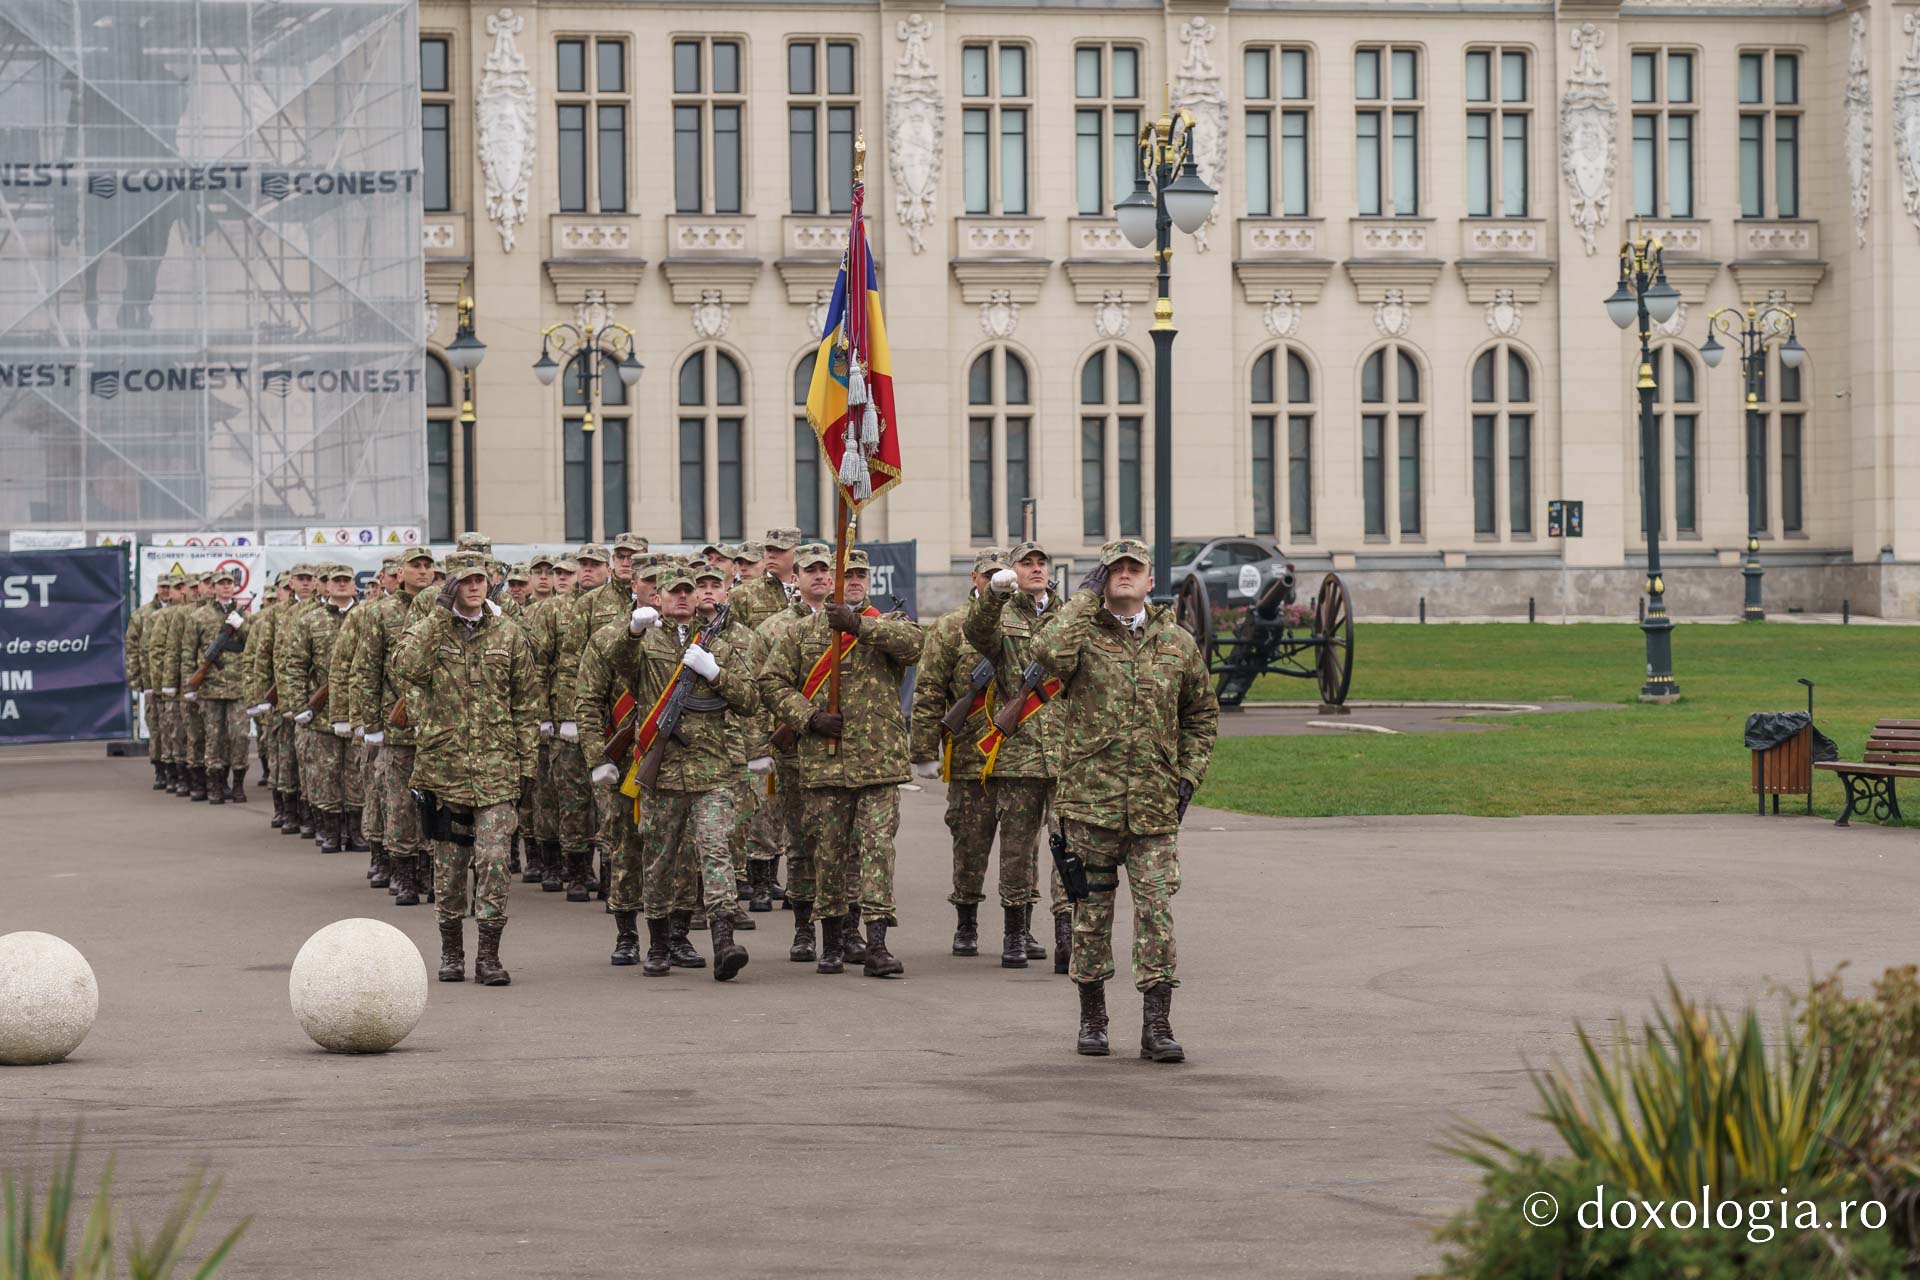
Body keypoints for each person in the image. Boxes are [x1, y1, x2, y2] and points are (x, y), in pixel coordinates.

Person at [1031, 539, 1219, 1062]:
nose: (1125, 575)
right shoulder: (1079, 637)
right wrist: (1084, 599)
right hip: (1090, 805)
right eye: (1114, 569)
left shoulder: (1176, 642)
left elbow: (1202, 714)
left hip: (1155, 807)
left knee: (1156, 912)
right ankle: (1093, 1018)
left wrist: (1188, 776)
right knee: (1091, 914)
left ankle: (1157, 1024)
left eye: (1135, 568)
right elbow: (1046, 654)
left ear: (1150, 580)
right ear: (1102, 578)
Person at [588, 562, 758, 978]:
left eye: (690, 590)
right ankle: (659, 944)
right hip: (662, 773)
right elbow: (616, 666)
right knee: (660, 860)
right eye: (674, 592)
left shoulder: (718, 641)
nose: (684, 596)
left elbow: (750, 698)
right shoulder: (644, 641)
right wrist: (631, 632)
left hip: (712, 769)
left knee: (716, 852)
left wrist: (714, 671)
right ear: (658, 599)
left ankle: (723, 941)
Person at [759, 547, 923, 978]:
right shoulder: (800, 634)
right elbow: (771, 682)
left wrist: (859, 626)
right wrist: (808, 717)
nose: (852, 581)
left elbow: (914, 646)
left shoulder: (886, 625)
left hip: (879, 763)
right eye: (844, 575)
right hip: (825, 762)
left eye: (859, 576)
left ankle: (876, 943)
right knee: (828, 854)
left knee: (877, 851)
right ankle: (831, 941)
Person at [393, 553, 540, 986]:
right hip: (444, 771)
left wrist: (527, 765)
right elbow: (406, 668)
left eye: (481, 579)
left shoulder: (508, 633)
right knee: (450, 868)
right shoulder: (429, 629)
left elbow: (527, 702)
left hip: (497, 770)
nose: (475, 587)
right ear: (450, 585)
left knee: (495, 860)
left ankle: (489, 956)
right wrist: (438, 617)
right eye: (465, 581)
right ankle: (452, 952)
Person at [966, 540, 1064, 969]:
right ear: (1014, 571)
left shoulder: (1069, 617)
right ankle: (1015, 933)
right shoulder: (1001, 615)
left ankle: (1067, 932)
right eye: (1027, 563)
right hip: (1019, 749)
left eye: (1042, 562)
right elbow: (976, 631)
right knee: (1017, 848)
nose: (1036, 569)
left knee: (1069, 846)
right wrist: (994, 595)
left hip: (1066, 751)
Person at [910, 548, 1006, 957]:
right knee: (969, 844)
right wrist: (923, 750)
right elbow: (929, 690)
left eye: (1002, 575)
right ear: (975, 578)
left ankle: (1020, 926)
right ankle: (966, 922)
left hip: (1019, 754)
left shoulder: (1022, 624)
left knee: (1022, 850)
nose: (994, 581)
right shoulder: (951, 627)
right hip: (969, 753)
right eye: (988, 575)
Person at [349, 547, 436, 901]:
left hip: (437, 726)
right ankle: (405, 873)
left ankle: (432, 871)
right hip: (397, 724)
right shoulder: (381, 613)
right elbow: (366, 670)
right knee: (398, 803)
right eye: (415, 566)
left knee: (434, 803)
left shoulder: (444, 609)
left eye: (428, 566)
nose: (423, 571)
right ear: (399, 573)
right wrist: (371, 723)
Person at [279, 564, 359, 854]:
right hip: (321, 712)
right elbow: (294, 666)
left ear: (354, 584)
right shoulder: (310, 620)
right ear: (325, 585)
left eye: (345, 580)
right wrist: (299, 705)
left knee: (356, 774)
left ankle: (356, 832)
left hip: (357, 711)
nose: (340, 585)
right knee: (324, 775)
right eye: (335, 581)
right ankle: (329, 830)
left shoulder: (366, 617)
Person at [182, 568, 252, 804]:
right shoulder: (199, 616)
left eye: (228, 583)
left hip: (238, 685)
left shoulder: (244, 616)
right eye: (220, 583)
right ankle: (215, 784)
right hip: (210, 686)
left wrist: (240, 625)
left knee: (240, 736)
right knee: (214, 737)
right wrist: (189, 686)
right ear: (213, 587)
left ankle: (238, 783)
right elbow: (188, 654)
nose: (225, 587)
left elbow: (253, 645)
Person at [728, 528, 800, 633]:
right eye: (769, 550)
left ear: (797, 553)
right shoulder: (742, 594)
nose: (772, 555)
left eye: (780, 550)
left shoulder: (810, 591)